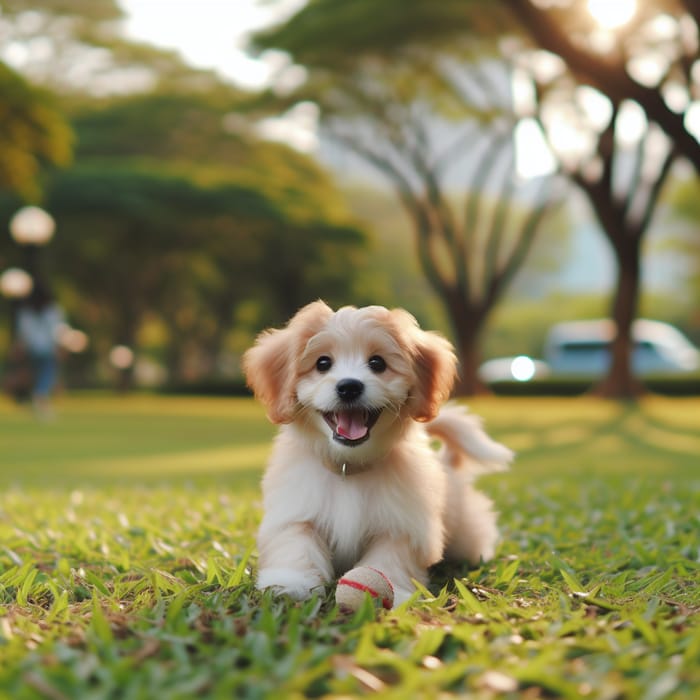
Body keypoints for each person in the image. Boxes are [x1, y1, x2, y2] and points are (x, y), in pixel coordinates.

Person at [15, 280, 65, 417]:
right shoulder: (53, 311)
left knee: (35, 375)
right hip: (47, 349)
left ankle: (34, 398)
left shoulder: (25, 311)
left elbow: (23, 333)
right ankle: (40, 397)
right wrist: (59, 348)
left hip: (32, 348)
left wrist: (20, 348)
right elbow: (58, 332)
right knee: (45, 375)